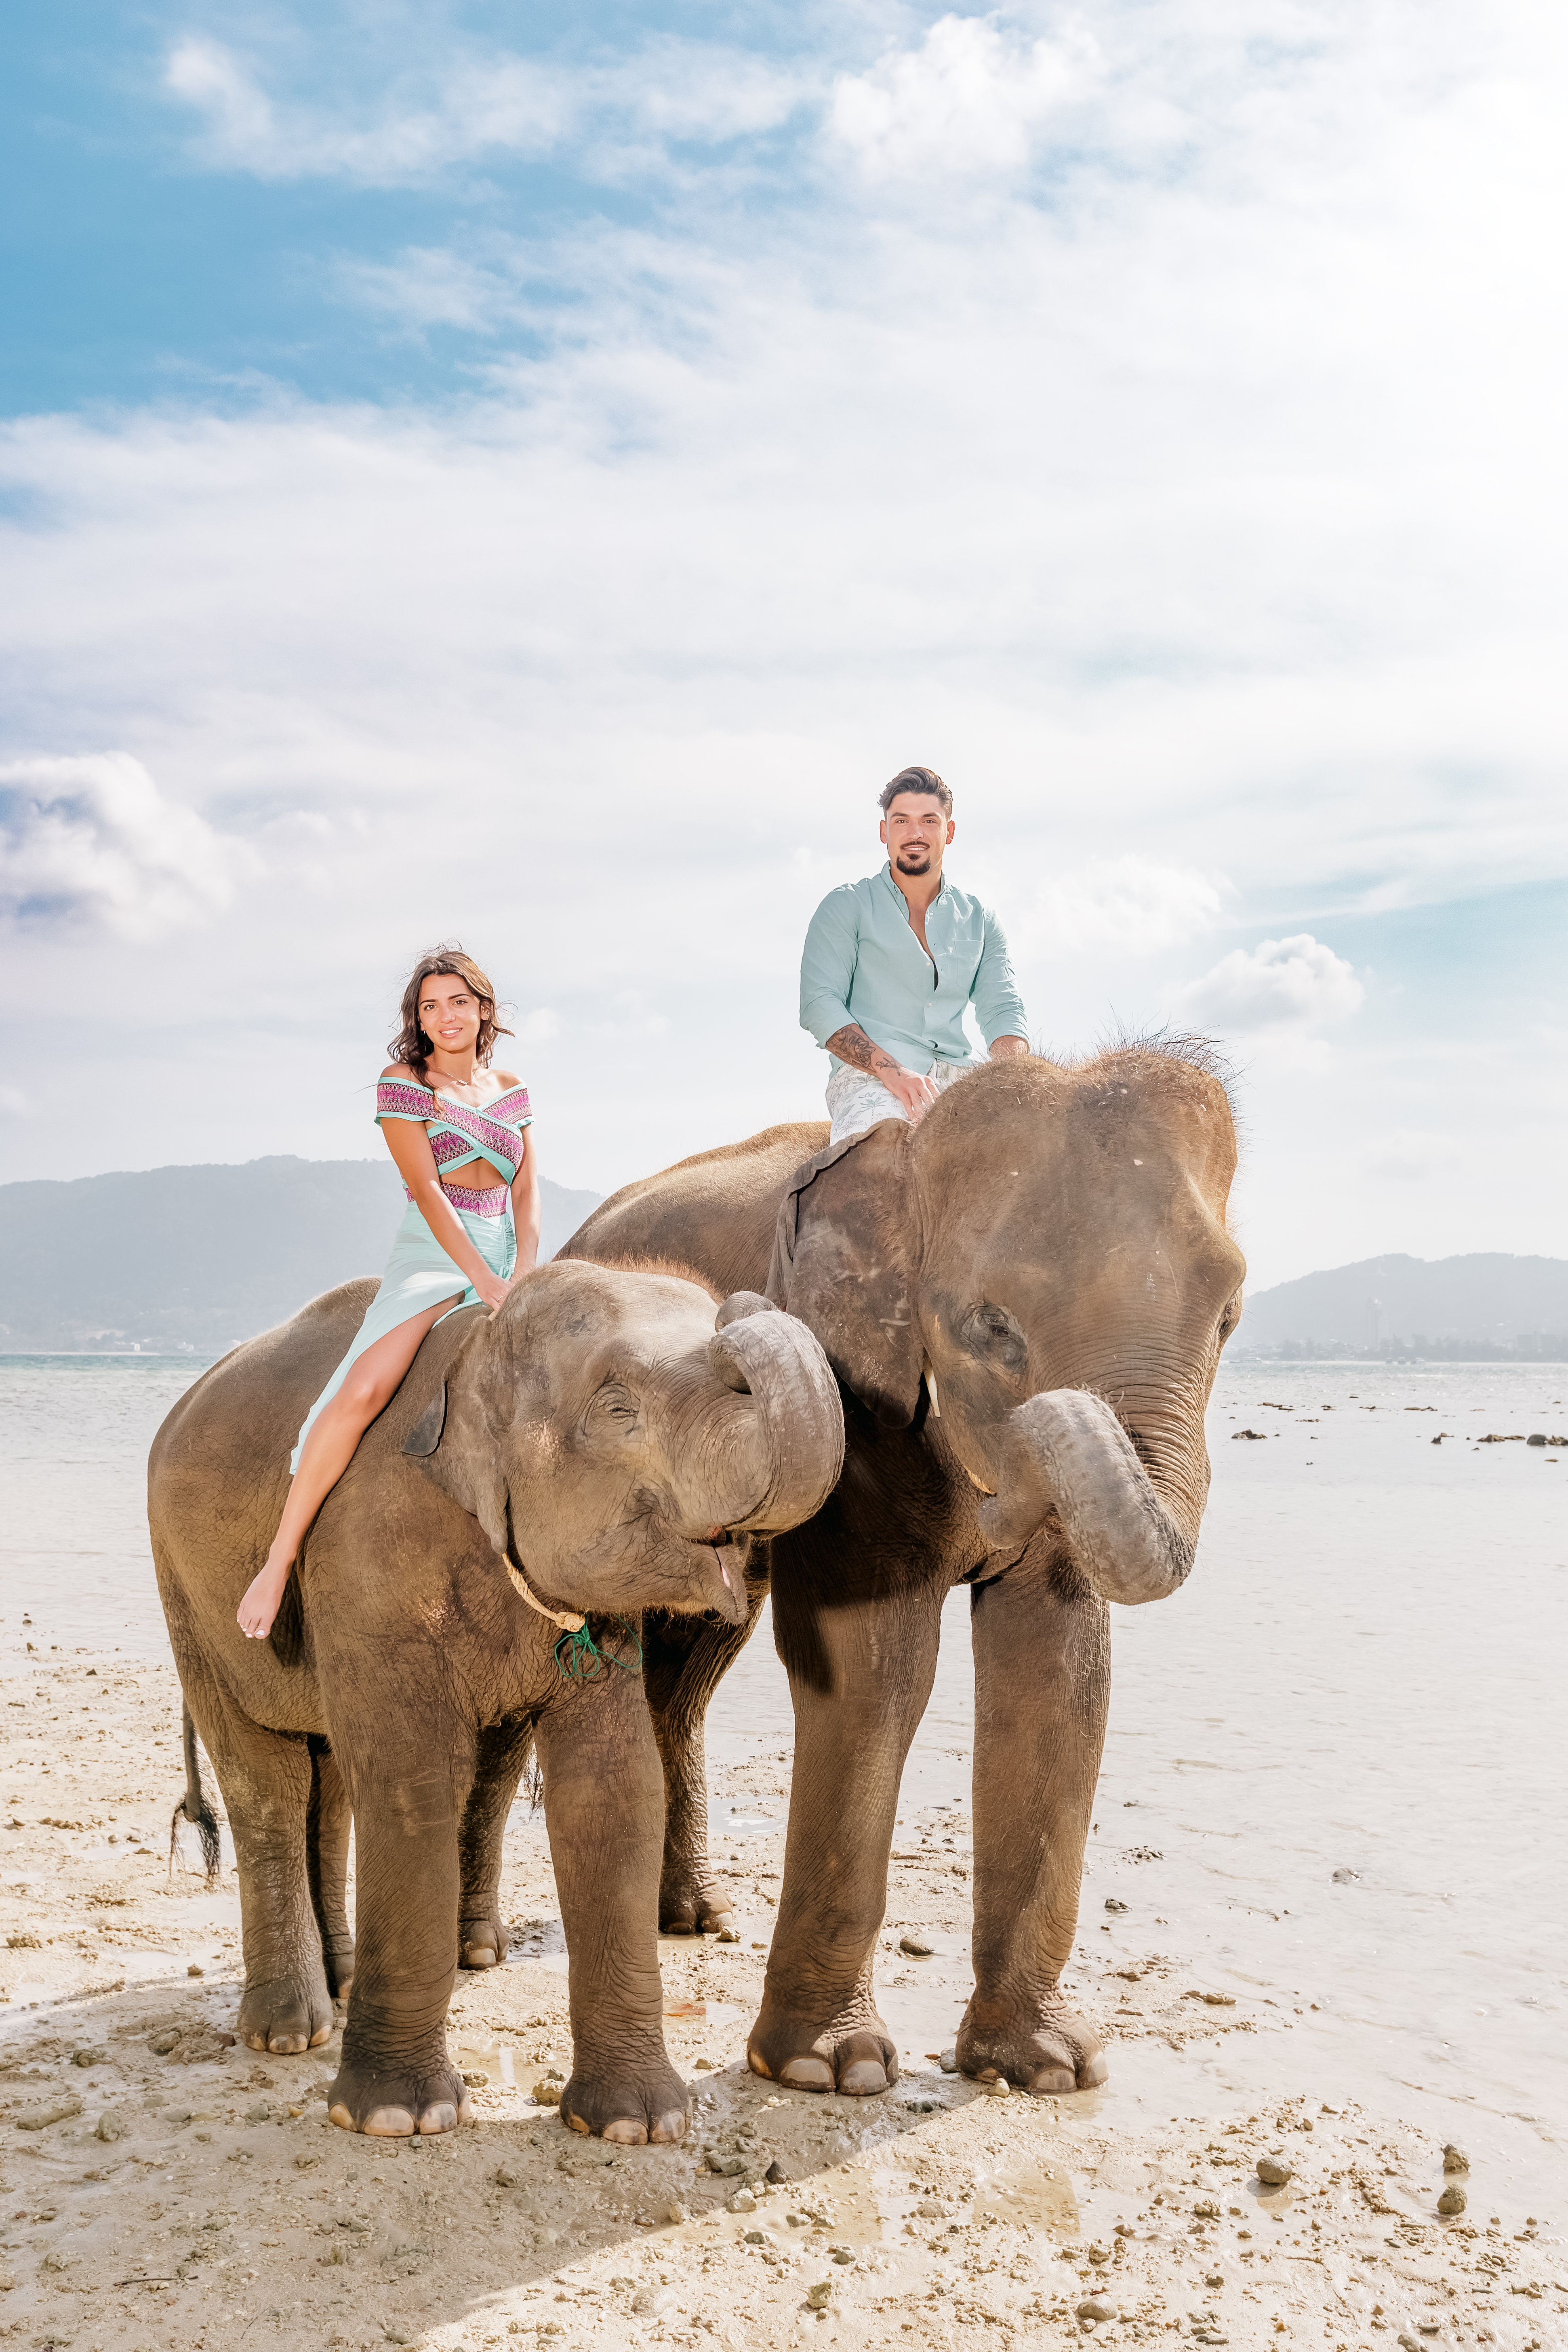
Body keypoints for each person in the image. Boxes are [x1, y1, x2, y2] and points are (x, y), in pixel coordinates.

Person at [236, 946, 541, 1641]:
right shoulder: (404, 1081)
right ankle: (279, 1561)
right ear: (419, 1018)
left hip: (504, 1250)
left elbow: (526, 1190)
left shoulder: (513, 1086)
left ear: (483, 1008)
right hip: (435, 1252)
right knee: (364, 1391)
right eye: (430, 1006)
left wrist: (523, 1269)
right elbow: (431, 1193)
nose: (446, 1016)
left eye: (459, 1002)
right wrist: (482, 1279)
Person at [799, 766, 1029, 1143]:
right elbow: (819, 1005)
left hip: (962, 1078)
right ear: (883, 831)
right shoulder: (846, 906)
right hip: (871, 1079)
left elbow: (1003, 1009)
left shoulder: (981, 920)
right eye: (901, 820)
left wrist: (1007, 1084)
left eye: (928, 820)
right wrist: (894, 1072)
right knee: (879, 1160)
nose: (915, 833)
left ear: (948, 832)